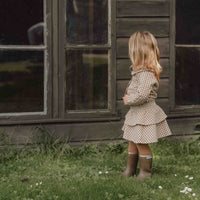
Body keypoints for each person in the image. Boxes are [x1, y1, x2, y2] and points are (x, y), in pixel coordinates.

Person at [121, 31, 172, 180]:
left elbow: (142, 96)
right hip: (137, 113)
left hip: (144, 113)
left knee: (141, 143)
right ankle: (130, 169)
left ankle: (145, 172)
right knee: (133, 140)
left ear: (137, 52)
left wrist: (128, 100)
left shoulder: (146, 74)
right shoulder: (139, 72)